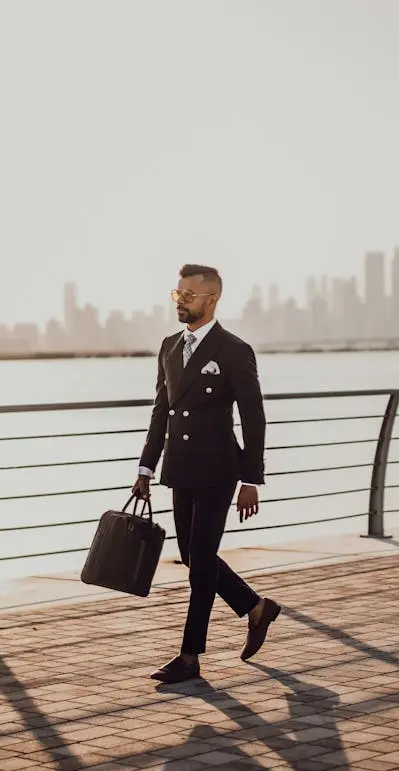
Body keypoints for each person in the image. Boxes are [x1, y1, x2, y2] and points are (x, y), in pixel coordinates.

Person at [133, 263, 281, 683]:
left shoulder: (233, 349)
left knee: (200, 566)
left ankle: (190, 656)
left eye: (188, 296)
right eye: (176, 294)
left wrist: (252, 479)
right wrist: (146, 467)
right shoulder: (168, 346)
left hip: (219, 469)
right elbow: (161, 411)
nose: (179, 302)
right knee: (194, 556)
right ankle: (256, 607)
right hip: (180, 470)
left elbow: (254, 417)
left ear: (212, 299)